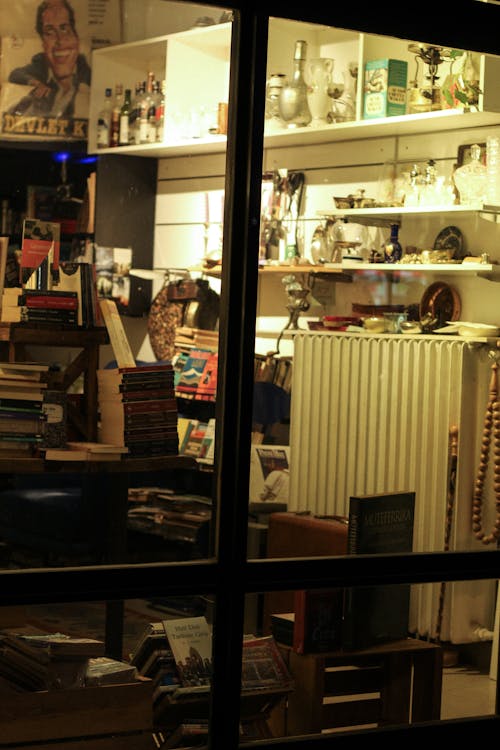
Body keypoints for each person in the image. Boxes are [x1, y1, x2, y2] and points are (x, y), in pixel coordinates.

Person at [8, 0, 90, 118]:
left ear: (76, 37)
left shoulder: (87, 68)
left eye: (64, 29)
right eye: (49, 32)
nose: (60, 41)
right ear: (43, 43)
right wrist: (36, 83)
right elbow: (15, 74)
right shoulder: (41, 63)